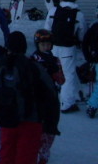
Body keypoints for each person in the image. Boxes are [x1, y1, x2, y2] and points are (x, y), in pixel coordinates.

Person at [0, 31, 59, 164]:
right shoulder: (33, 66)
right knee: (26, 156)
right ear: (24, 47)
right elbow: (51, 92)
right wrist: (51, 122)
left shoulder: (0, 66)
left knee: (6, 153)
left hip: (6, 118)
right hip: (31, 119)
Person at [44, 0, 85, 113]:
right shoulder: (78, 14)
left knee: (55, 72)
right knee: (68, 75)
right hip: (68, 49)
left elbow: (47, 28)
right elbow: (82, 33)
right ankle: (67, 104)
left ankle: (75, 95)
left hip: (53, 47)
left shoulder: (53, 10)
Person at [29, 29, 64, 164]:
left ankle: (43, 156)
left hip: (51, 99)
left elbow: (61, 80)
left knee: (50, 129)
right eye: (43, 44)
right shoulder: (33, 59)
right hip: (36, 99)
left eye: (48, 44)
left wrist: (55, 72)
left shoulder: (55, 60)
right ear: (37, 45)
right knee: (36, 129)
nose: (46, 47)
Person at [81, 20, 98, 118]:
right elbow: (85, 43)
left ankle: (92, 105)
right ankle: (92, 105)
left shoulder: (94, 27)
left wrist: (89, 57)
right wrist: (89, 58)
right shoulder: (95, 27)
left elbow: (85, 42)